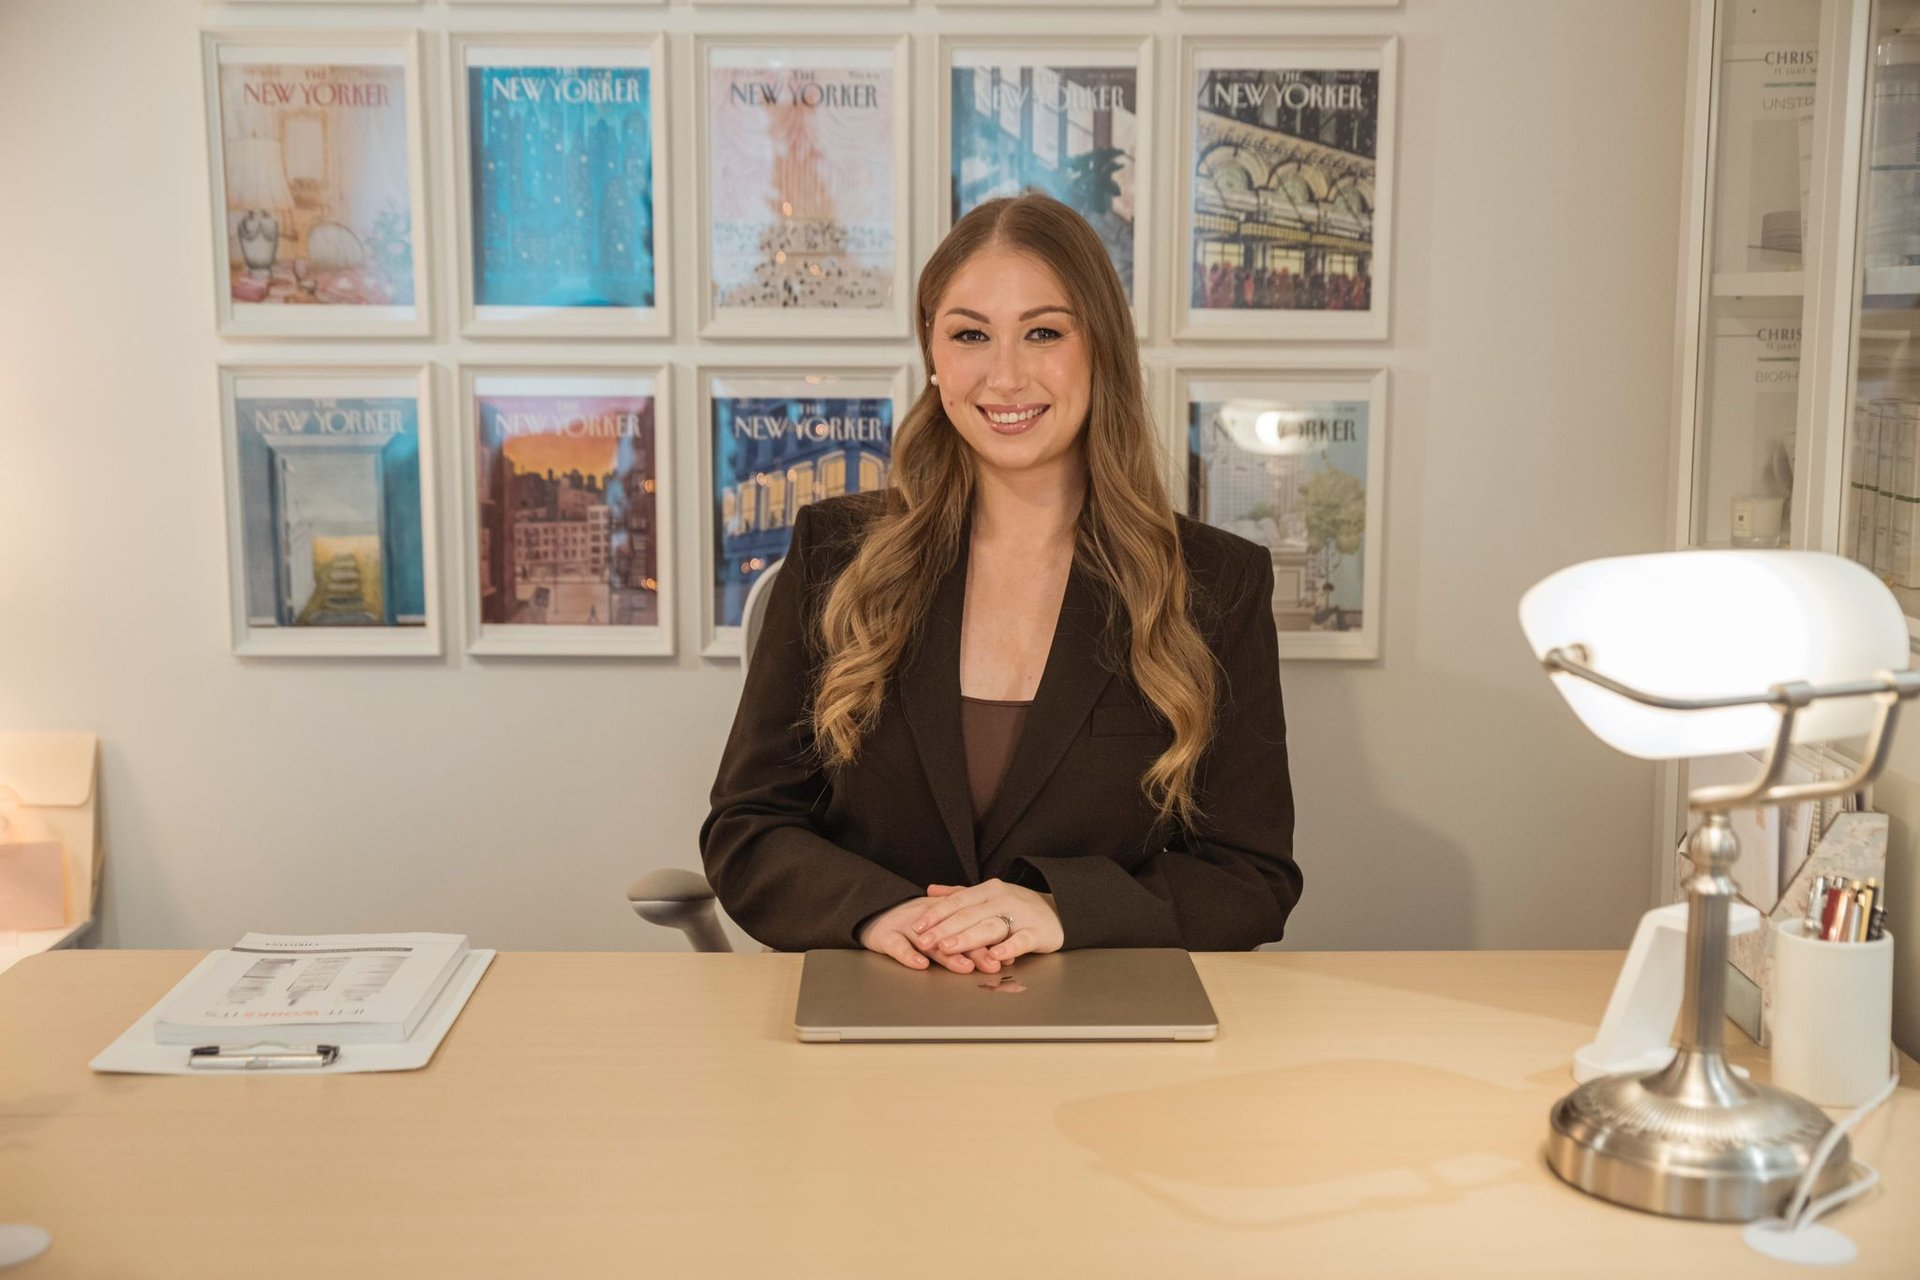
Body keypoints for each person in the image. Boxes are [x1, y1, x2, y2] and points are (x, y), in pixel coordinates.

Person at [701, 193, 1300, 976]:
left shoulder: (1216, 583)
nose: (1005, 376)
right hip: (880, 1006)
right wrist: (880, 914)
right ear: (933, 354)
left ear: (1102, 350)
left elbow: (1250, 876)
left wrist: (1060, 910)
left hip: (1108, 1028)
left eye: (1044, 333)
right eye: (971, 335)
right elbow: (748, 829)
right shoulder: (836, 553)